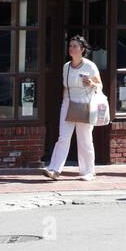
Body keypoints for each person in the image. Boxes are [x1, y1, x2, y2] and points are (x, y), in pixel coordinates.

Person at [43, 35, 102, 181]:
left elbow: (99, 85)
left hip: (85, 103)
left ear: (82, 49)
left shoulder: (90, 66)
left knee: (84, 139)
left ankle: (88, 171)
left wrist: (92, 84)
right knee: (63, 137)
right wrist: (65, 103)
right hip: (69, 102)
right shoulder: (66, 66)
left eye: (75, 46)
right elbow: (65, 87)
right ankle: (55, 169)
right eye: (70, 46)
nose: (71, 49)